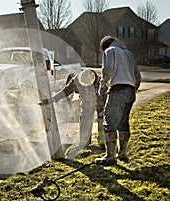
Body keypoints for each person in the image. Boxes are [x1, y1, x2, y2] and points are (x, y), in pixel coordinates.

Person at [95, 36, 141, 166]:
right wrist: (132, 90)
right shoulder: (129, 54)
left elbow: (107, 69)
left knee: (109, 122)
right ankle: (123, 153)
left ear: (105, 47)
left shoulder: (110, 51)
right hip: (130, 91)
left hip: (118, 89)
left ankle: (110, 156)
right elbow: (137, 76)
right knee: (123, 123)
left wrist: (102, 86)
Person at [39, 69, 107, 154]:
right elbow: (65, 91)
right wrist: (51, 100)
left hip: (101, 105)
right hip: (87, 106)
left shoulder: (102, 82)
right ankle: (84, 143)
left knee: (102, 123)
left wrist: (105, 109)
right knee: (85, 123)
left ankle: (102, 143)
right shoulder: (76, 81)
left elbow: (109, 97)